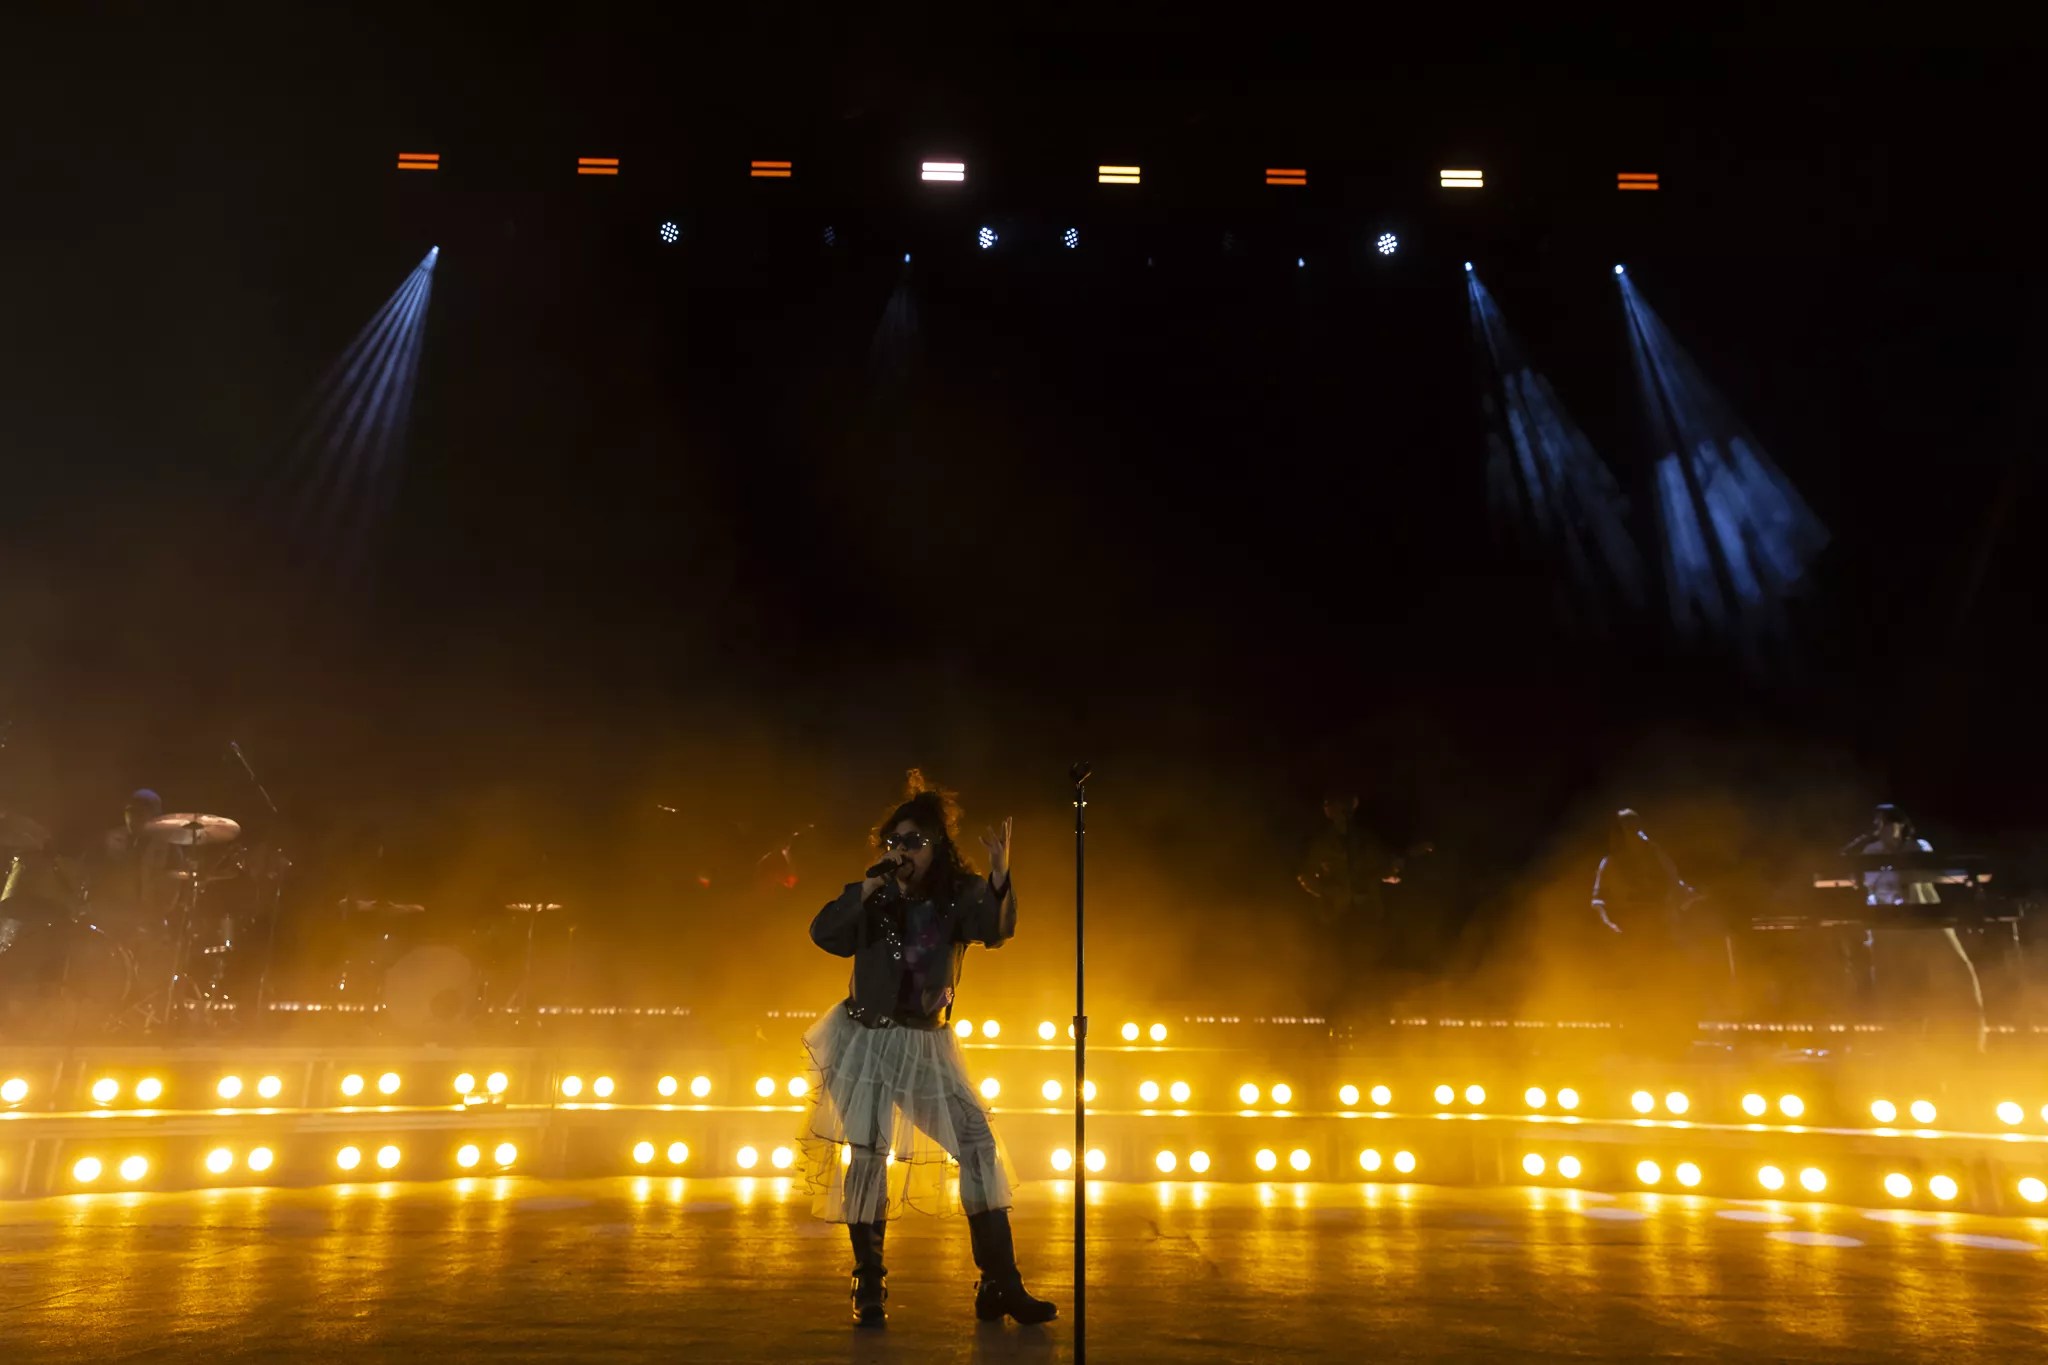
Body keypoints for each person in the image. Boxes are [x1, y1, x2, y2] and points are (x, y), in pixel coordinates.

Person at [797, 772, 1056, 1329]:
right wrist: (866, 890)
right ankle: (869, 1283)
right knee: (868, 1153)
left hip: (926, 1046)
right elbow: (824, 934)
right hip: (864, 1041)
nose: (901, 852)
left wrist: (1000, 874)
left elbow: (996, 930)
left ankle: (1000, 1282)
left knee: (977, 1142)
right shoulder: (874, 895)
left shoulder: (959, 895)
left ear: (937, 846)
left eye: (913, 842)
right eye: (893, 842)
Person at [1841, 805, 1985, 1048]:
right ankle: (1901, 1046)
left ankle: (1971, 1042)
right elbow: (1867, 881)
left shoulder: (1918, 846)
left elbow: (1928, 873)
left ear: (1900, 825)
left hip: (1925, 920)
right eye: (1878, 823)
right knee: (1893, 984)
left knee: (1955, 970)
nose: (1881, 828)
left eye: (1886, 822)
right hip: (1887, 924)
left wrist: (1898, 864)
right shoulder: (1870, 850)